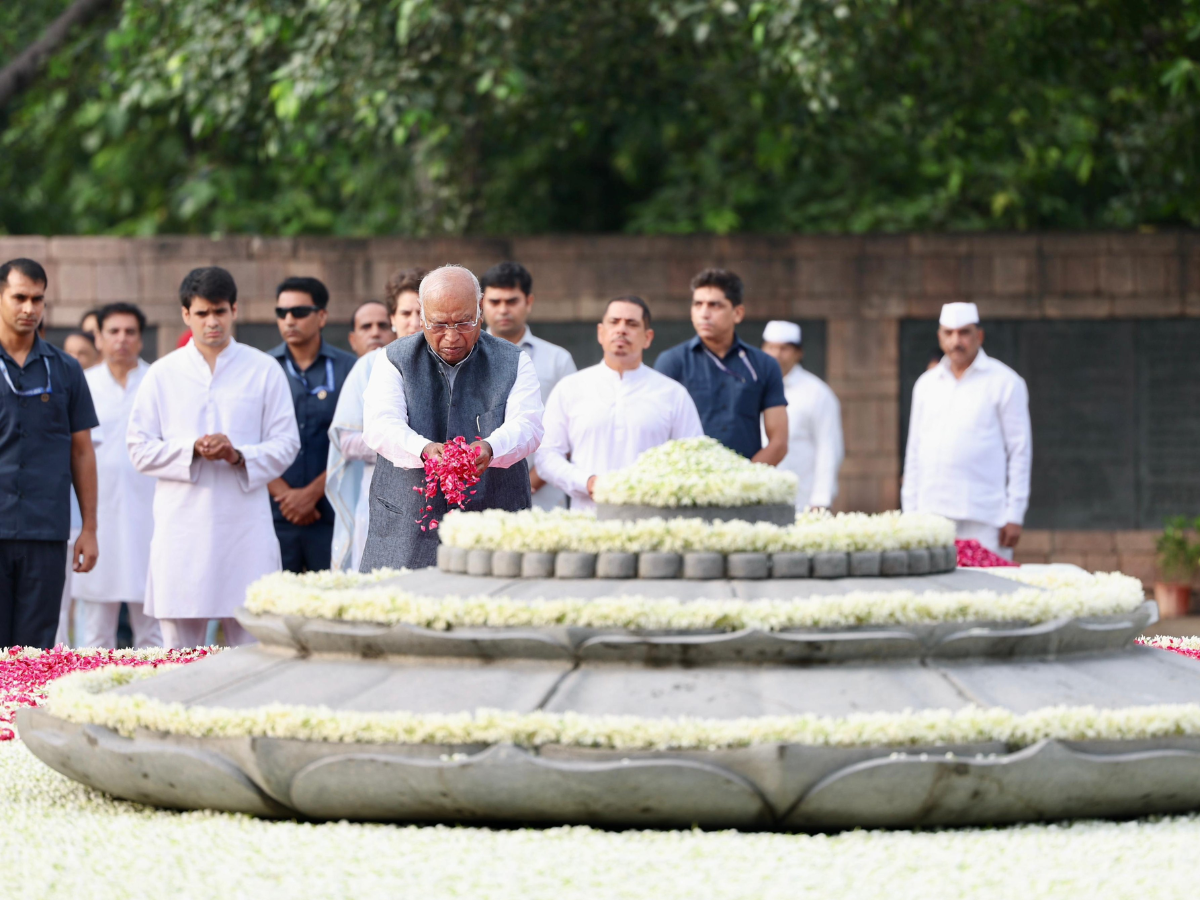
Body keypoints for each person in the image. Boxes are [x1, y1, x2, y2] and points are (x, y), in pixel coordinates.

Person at [127, 267, 300, 649]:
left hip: (245, 529)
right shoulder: (162, 373)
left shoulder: (263, 369)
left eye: (219, 311)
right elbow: (138, 448)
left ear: (234, 310)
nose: (212, 322)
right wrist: (191, 449)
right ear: (185, 314)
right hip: (181, 529)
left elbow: (287, 443)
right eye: (202, 313)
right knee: (180, 653)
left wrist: (237, 455)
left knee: (253, 648)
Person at [361, 265, 543, 570]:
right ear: (421, 317)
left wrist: (490, 447)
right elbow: (381, 424)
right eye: (439, 324)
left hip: (493, 519)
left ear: (480, 311)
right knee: (399, 597)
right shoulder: (393, 359)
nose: (451, 336)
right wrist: (423, 449)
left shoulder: (514, 361)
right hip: (407, 523)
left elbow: (528, 425)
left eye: (464, 322)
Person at [0, 258, 99, 649]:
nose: (30, 308)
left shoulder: (66, 369)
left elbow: (82, 452)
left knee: (35, 650)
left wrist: (89, 528)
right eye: (20, 297)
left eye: (38, 299)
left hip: (45, 531)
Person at [537, 296, 703, 512]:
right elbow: (547, 457)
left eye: (632, 324)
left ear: (648, 337)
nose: (621, 330)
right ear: (601, 333)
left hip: (653, 519)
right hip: (587, 520)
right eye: (614, 322)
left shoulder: (673, 394)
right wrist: (587, 482)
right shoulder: (570, 388)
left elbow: (694, 458)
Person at [901, 302, 1032, 560]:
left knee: (987, 584)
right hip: (931, 514)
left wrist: (1015, 514)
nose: (956, 341)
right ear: (940, 337)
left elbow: (1020, 451)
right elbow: (914, 450)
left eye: (964, 333)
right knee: (935, 584)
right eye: (948, 333)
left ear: (979, 336)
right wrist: (910, 511)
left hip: (984, 516)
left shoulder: (1005, 382)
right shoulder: (926, 385)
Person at [71, 303, 161, 648]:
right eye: (113, 331)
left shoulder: (157, 381)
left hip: (150, 516)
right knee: (95, 631)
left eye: (130, 332)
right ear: (98, 337)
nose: (122, 339)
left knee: (153, 629)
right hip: (98, 517)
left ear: (141, 338)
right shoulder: (83, 383)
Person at [326, 267, 427, 571]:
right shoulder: (370, 365)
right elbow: (347, 442)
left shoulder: (449, 363)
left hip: (438, 497)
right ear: (393, 319)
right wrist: (415, 447)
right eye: (406, 313)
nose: (414, 321)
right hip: (381, 494)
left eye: (421, 312)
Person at [267, 277, 357, 574]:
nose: (289, 320)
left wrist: (310, 494)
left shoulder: (349, 368)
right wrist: (287, 497)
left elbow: (357, 438)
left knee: (332, 596)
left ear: (322, 316)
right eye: (282, 313)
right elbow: (248, 437)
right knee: (272, 597)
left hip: (332, 511)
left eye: (299, 312)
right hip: (274, 512)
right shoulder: (263, 368)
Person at [655, 268, 788, 464]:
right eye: (698, 304)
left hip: (747, 478)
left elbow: (779, 442)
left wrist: (746, 476)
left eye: (714, 305)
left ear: (738, 313)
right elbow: (657, 433)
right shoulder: (672, 361)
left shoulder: (764, 364)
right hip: (687, 477)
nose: (704, 313)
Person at [480, 262, 576, 509]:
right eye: (495, 301)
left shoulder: (557, 359)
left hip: (542, 498)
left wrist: (529, 481)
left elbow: (571, 429)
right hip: (474, 493)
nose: (503, 309)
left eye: (512, 301)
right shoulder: (464, 357)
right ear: (481, 304)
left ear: (529, 302)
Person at [760, 320, 844, 510]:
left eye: (784, 349)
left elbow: (829, 448)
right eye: (771, 347)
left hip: (802, 501)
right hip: (757, 498)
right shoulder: (753, 386)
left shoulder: (817, 393)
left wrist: (821, 500)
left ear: (798, 353)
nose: (776, 354)